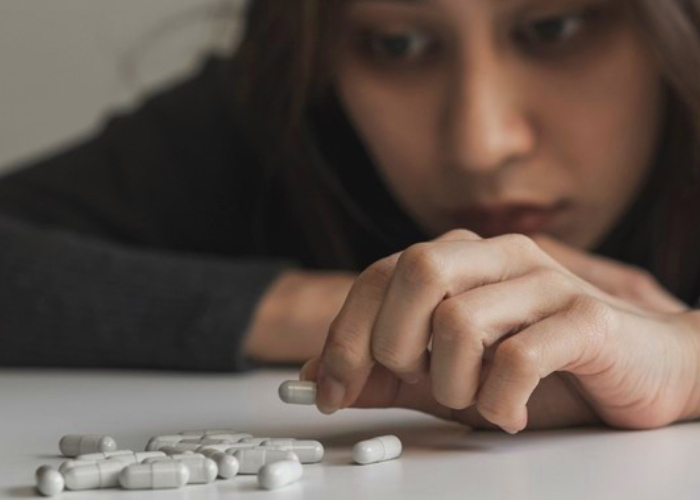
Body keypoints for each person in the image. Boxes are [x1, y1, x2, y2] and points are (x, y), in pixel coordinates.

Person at [1, 0, 700, 433]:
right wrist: (352, 309)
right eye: (398, 43)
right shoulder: (281, 113)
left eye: (554, 27)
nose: (479, 143)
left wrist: (685, 361)